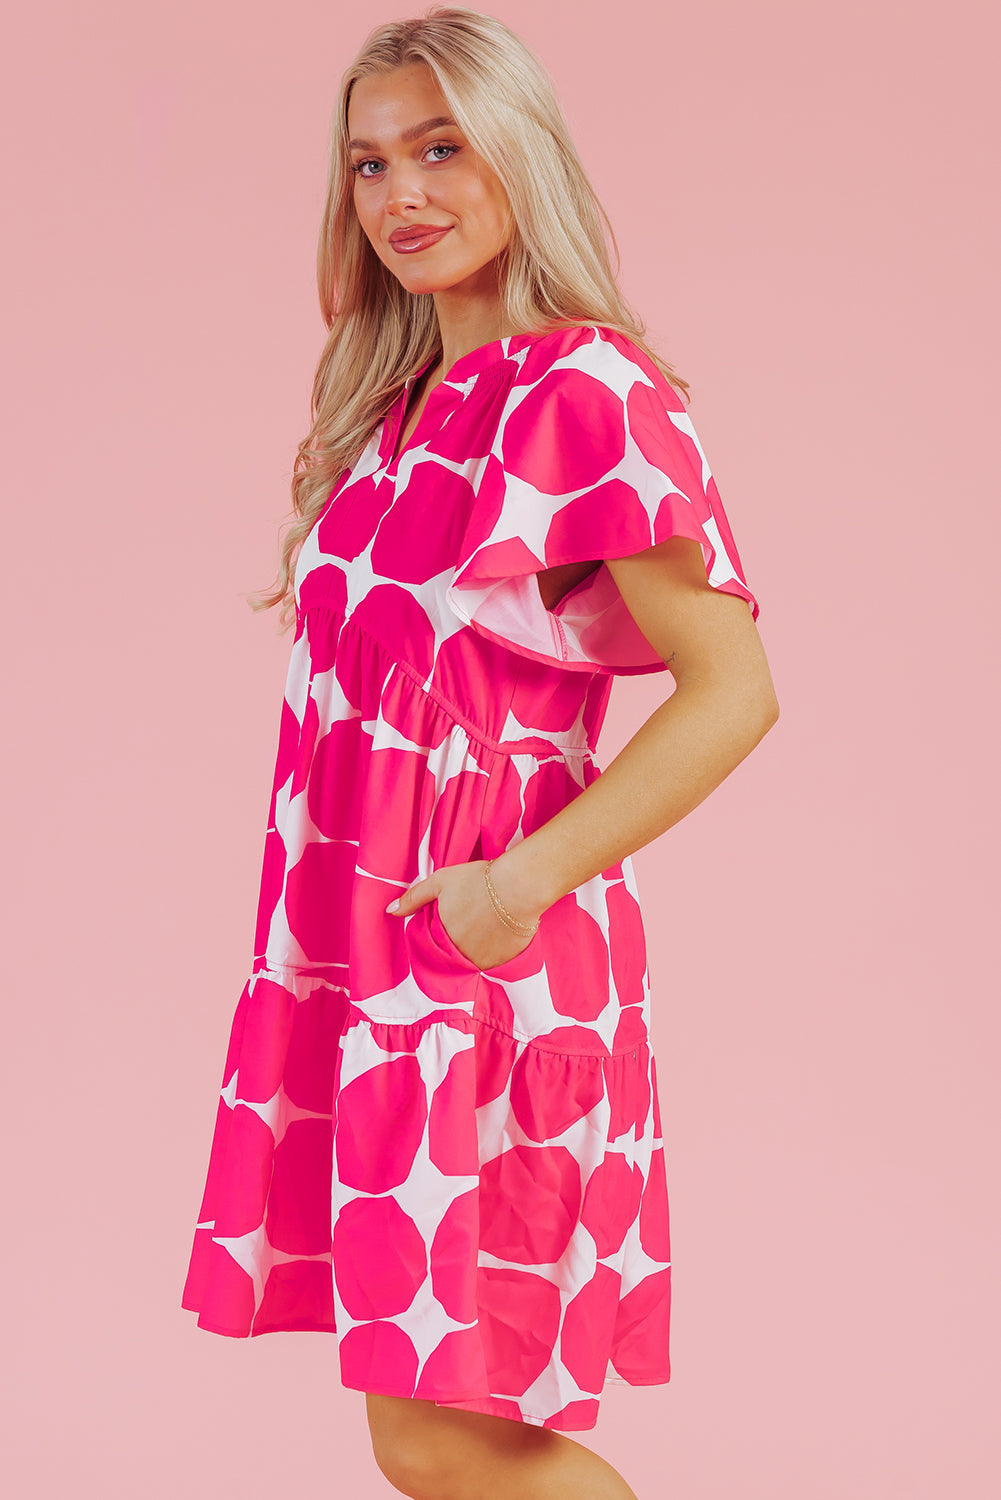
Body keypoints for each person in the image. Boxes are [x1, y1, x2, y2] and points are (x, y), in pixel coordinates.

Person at [180, 7, 779, 1497]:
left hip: (485, 971)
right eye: (371, 163)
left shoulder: (588, 391)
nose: (402, 193)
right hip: (367, 968)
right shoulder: (393, 418)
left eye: (441, 148)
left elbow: (732, 692)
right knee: (421, 1431)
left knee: (445, 1437)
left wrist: (511, 890)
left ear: (522, 154)